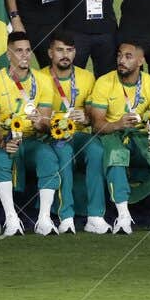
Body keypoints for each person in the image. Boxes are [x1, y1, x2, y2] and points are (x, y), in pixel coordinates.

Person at [88, 39, 150, 234]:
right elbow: (96, 124)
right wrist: (117, 124)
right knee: (116, 153)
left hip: (140, 135)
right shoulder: (104, 82)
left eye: (128, 56)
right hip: (113, 133)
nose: (121, 60)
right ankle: (123, 216)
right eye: (120, 56)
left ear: (140, 61)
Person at [0, 31, 59, 236]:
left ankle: (43, 219)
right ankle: (11, 219)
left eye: (27, 50)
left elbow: (45, 126)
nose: (25, 55)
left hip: (32, 139)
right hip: (7, 139)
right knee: (2, 160)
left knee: (48, 157)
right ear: (8, 54)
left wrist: (41, 122)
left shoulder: (43, 81)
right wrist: (3, 141)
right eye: (18, 51)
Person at [44, 31, 103, 234]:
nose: (65, 55)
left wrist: (85, 116)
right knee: (63, 152)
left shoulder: (86, 77)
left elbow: (93, 115)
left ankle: (95, 215)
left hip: (78, 134)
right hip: (50, 136)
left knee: (96, 149)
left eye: (69, 50)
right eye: (60, 50)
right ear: (50, 53)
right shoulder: (39, 78)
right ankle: (66, 216)